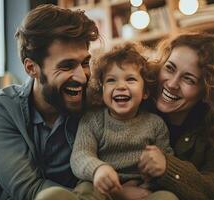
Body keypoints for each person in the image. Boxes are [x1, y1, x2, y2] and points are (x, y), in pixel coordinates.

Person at [0, 4, 99, 200]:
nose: (82, 77)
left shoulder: (96, 102)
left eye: (85, 63)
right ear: (31, 68)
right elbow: (28, 189)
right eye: (67, 66)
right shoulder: (2, 109)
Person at [136, 32, 214, 200]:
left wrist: (170, 169)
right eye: (170, 68)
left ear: (207, 91)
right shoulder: (136, 101)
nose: (172, 84)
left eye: (189, 79)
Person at [69, 43, 177, 200]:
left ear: (145, 92)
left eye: (131, 79)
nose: (120, 86)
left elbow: (166, 162)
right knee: (84, 189)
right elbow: (80, 155)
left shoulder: (155, 123)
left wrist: (151, 183)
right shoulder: (93, 120)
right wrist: (98, 170)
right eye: (111, 80)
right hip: (100, 187)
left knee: (167, 197)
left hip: (141, 190)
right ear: (102, 90)